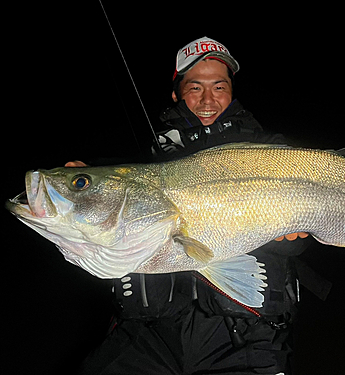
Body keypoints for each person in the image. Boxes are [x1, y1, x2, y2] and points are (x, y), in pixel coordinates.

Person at [75, 37, 330, 375]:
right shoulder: (151, 158)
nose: (208, 100)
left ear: (232, 91)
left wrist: (295, 240)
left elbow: (314, 218)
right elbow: (117, 180)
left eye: (219, 87)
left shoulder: (270, 151)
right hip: (148, 336)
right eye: (195, 88)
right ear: (176, 93)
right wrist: (82, 181)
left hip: (244, 339)